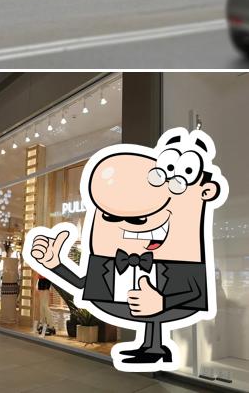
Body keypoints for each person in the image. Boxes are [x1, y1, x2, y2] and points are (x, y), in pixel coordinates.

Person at [26, 128, 228, 371]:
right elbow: (84, 284)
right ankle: (150, 346)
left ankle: (154, 346)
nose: (130, 225)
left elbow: (194, 291)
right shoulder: (108, 261)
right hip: (120, 304)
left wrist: (163, 302)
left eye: (140, 219)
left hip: (163, 305)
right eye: (110, 217)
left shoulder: (181, 260)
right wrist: (55, 264)